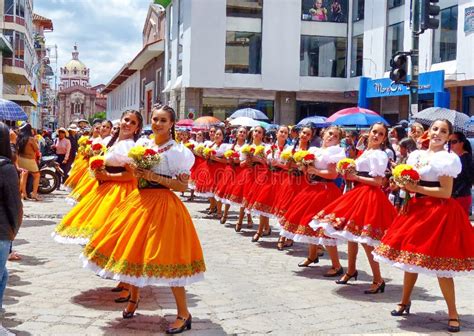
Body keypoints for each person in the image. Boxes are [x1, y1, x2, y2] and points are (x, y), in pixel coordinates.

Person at [82, 105, 205, 334]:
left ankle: (183, 313)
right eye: (155, 119)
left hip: (164, 205)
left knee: (170, 257)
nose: (158, 123)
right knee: (134, 251)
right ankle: (134, 299)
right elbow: (131, 172)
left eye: (163, 120)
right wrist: (136, 173)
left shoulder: (178, 152)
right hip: (138, 201)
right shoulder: (143, 145)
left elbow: (181, 186)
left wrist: (153, 176)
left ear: (171, 124)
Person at [373, 119, 474, 333]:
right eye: (435, 129)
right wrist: (402, 184)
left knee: (442, 266)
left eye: (444, 131)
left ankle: (453, 313)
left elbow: (446, 193)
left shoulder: (447, 159)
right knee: (411, 259)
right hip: (415, 210)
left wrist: (415, 186)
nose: (438, 133)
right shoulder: (417, 155)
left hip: (438, 213)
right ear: (429, 131)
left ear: (448, 137)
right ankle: (404, 301)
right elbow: (410, 184)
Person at [311, 122, 397, 294]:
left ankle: (378, 279)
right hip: (358, 193)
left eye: (380, 134)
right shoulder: (366, 151)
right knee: (351, 235)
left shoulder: (380, 155)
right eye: (374, 132)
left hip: (369, 196)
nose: (376, 136)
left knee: (366, 240)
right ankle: (351, 270)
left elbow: (379, 182)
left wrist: (355, 176)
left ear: (384, 138)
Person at [280, 126, 346, 275]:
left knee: (324, 227)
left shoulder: (335, 152)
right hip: (312, 188)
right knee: (309, 222)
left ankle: (336, 265)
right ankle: (312, 255)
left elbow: (332, 174)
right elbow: (308, 170)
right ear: (323, 133)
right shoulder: (315, 150)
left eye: (335, 136)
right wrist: (304, 167)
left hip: (326, 191)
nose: (331, 137)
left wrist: (314, 171)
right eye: (330, 134)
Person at [0, 122, 23, 312]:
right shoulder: (6, 168)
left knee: (4, 275)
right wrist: (12, 232)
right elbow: (14, 206)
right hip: (1, 231)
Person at [449, 131, 473, 216]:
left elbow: (469, 179)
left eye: (454, 142)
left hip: (460, 196)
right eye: (449, 142)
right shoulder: (456, 158)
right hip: (456, 196)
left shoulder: (465, 158)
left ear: (461, 143)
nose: (451, 145)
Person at [17, 123, 41, 201]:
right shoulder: (31, 139)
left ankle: (23, 194)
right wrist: (36, 141)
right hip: (29, 159)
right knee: (37, 175)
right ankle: (34, 193)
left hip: (20, 159)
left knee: (24, 176)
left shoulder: (19, 137)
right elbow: (37, 149)